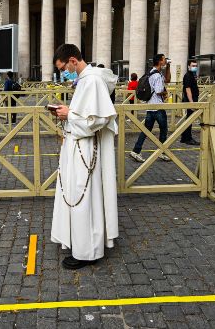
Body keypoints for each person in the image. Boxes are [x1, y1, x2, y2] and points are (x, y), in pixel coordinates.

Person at [50, 44, 118, 269]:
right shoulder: (84, 80)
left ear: (72, 60)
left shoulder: (92, 80)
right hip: (77, 146)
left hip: (85, 149)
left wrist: (69, 114)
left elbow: (98, 120)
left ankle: (88, 252)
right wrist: (68, 113)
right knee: (78, 195)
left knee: (84, 197)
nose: (63, 73)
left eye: (63, 69)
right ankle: (81, 244)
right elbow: (85, 113)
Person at [129, 54, 171, 163]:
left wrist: (168, 67)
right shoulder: (157, 75)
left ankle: (136, 151)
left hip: (150, 107)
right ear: (160, 61)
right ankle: (162, 151)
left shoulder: (152, 72)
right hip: (158, 107)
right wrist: (166, 93)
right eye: (164, 59)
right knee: (164, 130)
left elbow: (167, 80)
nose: (165, 60)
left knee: (146, 131)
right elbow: (158, 90)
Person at [179, 59, 200, 145]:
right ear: (188, 66)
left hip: (193, 99)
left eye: (196, 66)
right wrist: (191, 102)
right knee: (190, 119)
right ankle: (188, 138)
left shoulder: (192, 75)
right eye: (193, 66)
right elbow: (188, 89)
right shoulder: (188, 76)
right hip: (190, 100)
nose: (195, 67)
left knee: (189, 118)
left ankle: (184, 137)